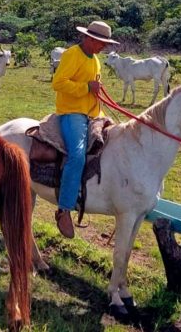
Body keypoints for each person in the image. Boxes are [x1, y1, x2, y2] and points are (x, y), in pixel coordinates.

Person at [51, 20, 119, 238]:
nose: (103, 47)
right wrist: (86, 88)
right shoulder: (73, 54)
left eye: (105, 44)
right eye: (101, 42)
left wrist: (95, 90)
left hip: (93, 113)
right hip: (72, 112)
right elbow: (58, 83)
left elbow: (92, 86)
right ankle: (64, 208)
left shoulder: (96, 60)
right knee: (78, 156)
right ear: (88, 38)